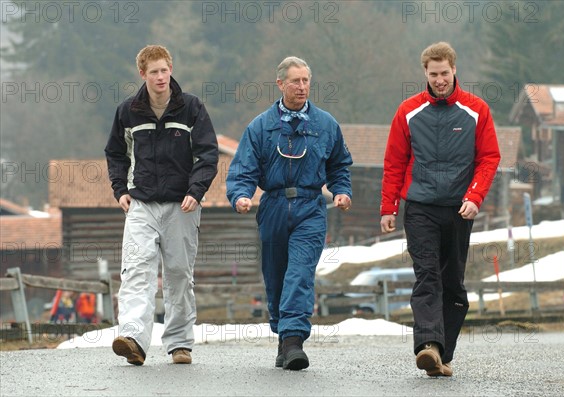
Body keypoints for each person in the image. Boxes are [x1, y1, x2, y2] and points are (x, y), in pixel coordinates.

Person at [380, 42, 501, 377]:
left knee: (453, 283)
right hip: (419, 207)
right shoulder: (407, 111)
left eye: (444, 73)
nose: (439, 80)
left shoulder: (477, 110)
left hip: (459, 210)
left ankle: (442, 356)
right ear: (425, 74)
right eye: (433, 74)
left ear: (454, 70)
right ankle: (427, 346)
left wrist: (475, 196)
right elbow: (394, 162)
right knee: (427, 275)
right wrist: (388, 207)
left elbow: (489, 158)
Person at [226, 56, 353, 371]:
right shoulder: (261, 127)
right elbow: (243, 169)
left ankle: (294, 339)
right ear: (280, 83)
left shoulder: (325, 124)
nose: (301, 87)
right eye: (295, 81)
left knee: (300, 271)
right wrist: (241, 196)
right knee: (276, 276)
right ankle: (284, 338)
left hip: (311, 207)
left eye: (306, 80)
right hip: (273, 206)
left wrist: (341, 190)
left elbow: (339, 164)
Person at [105, 44, 219, 366]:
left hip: (182, 205)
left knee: (178, 274)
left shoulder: (192, 108)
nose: (160, 77)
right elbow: (115, 153)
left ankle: (180, 344)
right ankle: (133, 340)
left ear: (171, 69)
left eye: (165, 70)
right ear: (142, 74)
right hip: (141, 204)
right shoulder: (128, 111)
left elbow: (208, 154)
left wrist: (196, 191)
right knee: (137, 271)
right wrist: (119, 189)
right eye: (153, 71)